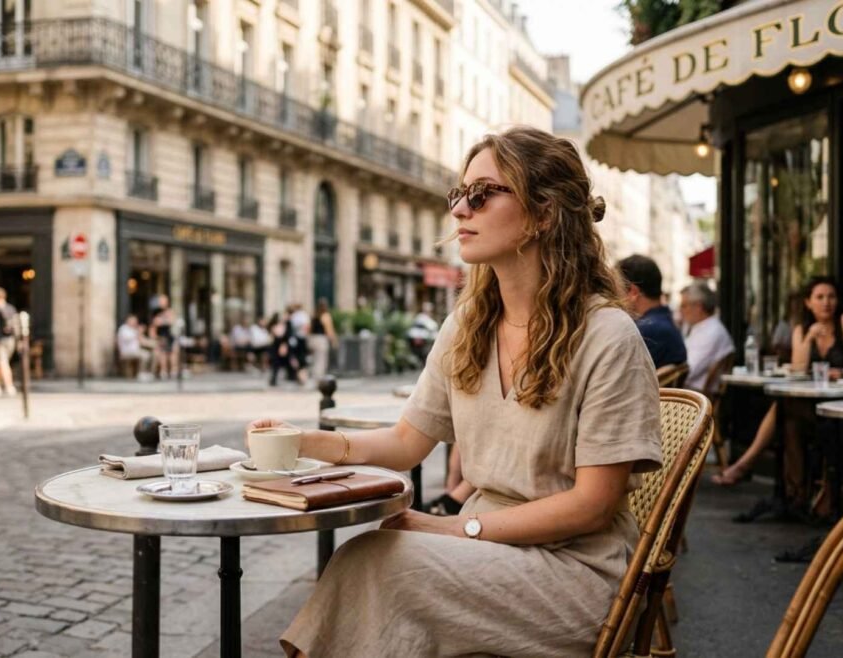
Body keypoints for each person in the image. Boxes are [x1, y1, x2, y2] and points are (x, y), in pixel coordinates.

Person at [249, 127, 662, 656]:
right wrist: (301, 442)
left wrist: (453, 528)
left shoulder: (607, 336)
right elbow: (405, 443)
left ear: (544, 213)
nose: (461, 210)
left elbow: (592, 507)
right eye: (458, 195)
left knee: (384, 563)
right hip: (488, 551)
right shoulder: (468, 322)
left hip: (576, 571)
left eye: (483, 194)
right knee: (369, 556)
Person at [713, 277, 843, 486]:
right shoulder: (802, 330)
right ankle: (795, 492)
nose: (826, 302)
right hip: (810, 403)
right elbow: (798, 368)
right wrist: (808, 339)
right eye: (820, 297)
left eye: (831, 297)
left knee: (784, 412)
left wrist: (842, 372)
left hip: (842, 404)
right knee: (787, 418)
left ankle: (754, 470)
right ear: (808, 303)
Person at [618, 255, 687, 369]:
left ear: (633, 292)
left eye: (615, 290)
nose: (612, 298)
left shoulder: (646, 331)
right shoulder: (663, 322)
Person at [679, 283, 734, 391]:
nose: (681, 310)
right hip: (689, 392)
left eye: (684, 306)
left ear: (698, 307)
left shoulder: (712, 331)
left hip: (693, 397)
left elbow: (689, 371)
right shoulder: (703, 328)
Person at [0, 288, 18, 396]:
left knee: (3, 363)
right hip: (11, 339)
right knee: (1, 362)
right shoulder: (11, 308)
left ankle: (9, 385)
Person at [307, 299, 338, 382]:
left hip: (312, 339)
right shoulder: (325, 316)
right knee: (321, 361)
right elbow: (329, 330)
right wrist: (334, 340)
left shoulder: (314, 315)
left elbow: (309, 329)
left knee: (314, 360)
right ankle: (319, 379)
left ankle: (314, 378)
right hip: (321, 339)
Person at [150, 294, 178, 380]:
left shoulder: (170, 311)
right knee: (163, 355)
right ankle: (164, 372)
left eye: (164, 301)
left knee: (173, 354)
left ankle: (173, 371)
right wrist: (154, 337)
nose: (162, 303)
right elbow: (153, 325)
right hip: (161, 336)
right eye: (161, 301)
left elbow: (172, 321)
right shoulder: (155, 312)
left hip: (170, 335)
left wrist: (162, 321)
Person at [117, 314, 152, 381]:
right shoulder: (123, 329)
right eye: (133, 321)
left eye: (136, 321)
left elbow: (142, 340)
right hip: (127, 352)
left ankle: (144, 372)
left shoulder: (134, 330)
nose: (135, 322)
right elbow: (127, 338)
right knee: (145, 355)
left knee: (148, 353)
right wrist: (138, 332)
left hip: (135, 351)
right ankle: (141, 373)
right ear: (128, 321)